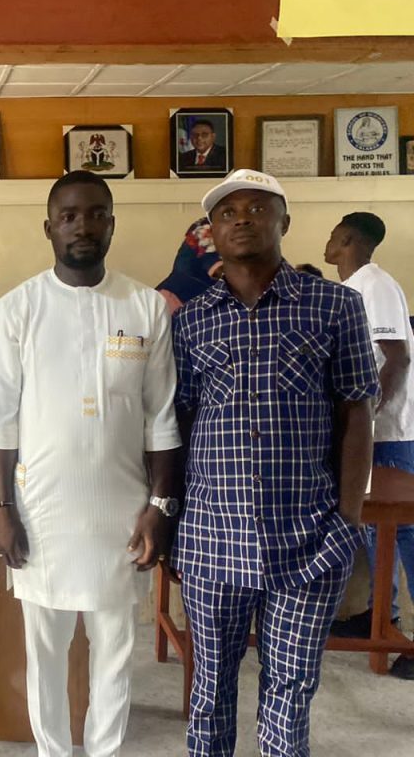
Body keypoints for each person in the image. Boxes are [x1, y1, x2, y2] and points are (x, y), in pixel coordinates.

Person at [172, 169, 379, 756]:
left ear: (285, 220)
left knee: (290, 691)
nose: (241, 219)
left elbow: (357, 412)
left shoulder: (335, 306)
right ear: (212, 231)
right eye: (227, 212)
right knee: (210, 691)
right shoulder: (190, 320)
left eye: (257, 208)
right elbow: (179, 424)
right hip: (212, 540)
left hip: (309, 540)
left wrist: (348, 520)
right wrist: (175, 522)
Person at [0, 170, 181, 757]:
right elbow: (2, 423)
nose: (83, 226)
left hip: (122, 516)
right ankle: (52, 751)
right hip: (40, 513)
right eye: (69, 216)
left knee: (115, 654)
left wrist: (159, 508)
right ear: (48, 227)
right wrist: (1, 510)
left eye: (96, 214)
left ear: (112, 225)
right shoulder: (17, 308)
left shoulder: (145, 308)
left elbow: (161, 420)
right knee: (44, 653)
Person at [324, 212, 414, 679]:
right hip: (373, 434)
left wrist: (368, 416)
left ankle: (396, 627)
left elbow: (396, 357)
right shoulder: (353, 288)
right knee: (376, 531)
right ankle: (381, 618)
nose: (327, 244)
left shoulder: (372, 285)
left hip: (389, 434)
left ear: (347, 239)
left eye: (332, 236)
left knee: (403, 531)